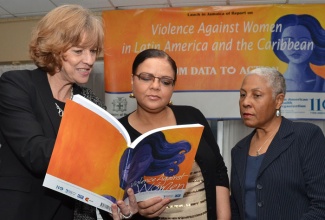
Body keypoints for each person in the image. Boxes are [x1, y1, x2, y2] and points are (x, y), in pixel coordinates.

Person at [0, 4, 136, 220]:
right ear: (54, 49)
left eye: (93, 51)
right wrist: (103, 160)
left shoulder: (93, 104)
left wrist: (121, 201)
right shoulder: (17, 85)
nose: (89, 60)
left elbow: (97, 189)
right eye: (78, 51)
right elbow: (35, 151)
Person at [116, 48, 231, 220]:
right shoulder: (118, 132)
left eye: (165, 81)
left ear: (173, 88)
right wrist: (134, 212)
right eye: (146, 78)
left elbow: (218, 172)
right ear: (132, 80)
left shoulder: (192, 116)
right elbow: (113, 201)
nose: (155, 86)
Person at [230, 67, 325, 219]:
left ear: (278, 100)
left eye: (257, 95)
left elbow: (321, 206)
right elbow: (236, 210)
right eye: (242, 95)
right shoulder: (238, 150)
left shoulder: (305, 136)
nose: (245, 102)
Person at [271, 14, 325, 92]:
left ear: (314, 44)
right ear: (279, 44)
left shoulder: (323, 85)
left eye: (303, 42)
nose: (296, 47)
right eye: (288, 41)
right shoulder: (272, 85)